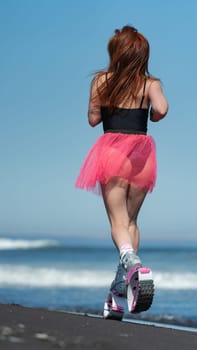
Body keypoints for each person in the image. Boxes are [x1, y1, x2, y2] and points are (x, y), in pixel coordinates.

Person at [75, 25, 168, 307]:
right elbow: (161, 110)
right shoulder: (150, 83)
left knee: (117, 221)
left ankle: (130, 261)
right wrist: (150, 115)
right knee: (130, 222)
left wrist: (105, 110)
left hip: (113, 150)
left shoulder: (102, 81)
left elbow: (93, 120)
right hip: (142, 151)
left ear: (116, 53)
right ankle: (118, 292)